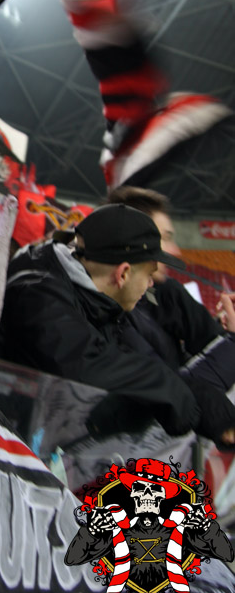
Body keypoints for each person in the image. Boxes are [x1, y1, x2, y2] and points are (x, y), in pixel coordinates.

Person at [0, 203, 204, 439]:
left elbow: (117, 360)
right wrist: (164, 384)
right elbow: (79, 362)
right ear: (123, 274)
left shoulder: (90, 299)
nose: (151, 284)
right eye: (149, 274)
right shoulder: (37, 290)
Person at [107, 186, 235, 447]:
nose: (175, 250)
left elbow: (195, 374)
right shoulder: (106, 313)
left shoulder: (168, 292)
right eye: (165, 238)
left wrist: (228, 338)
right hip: (126, 457)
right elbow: (175, 391)